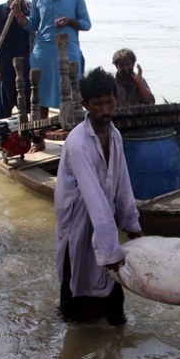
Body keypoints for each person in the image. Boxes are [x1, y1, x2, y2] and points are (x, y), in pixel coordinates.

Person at [55, 67, 143, 325]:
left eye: (109, 102)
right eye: (98, 105)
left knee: (115, 311)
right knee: (77, 286)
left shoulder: (114, 135)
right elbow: (95, 201)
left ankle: (113, 337)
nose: (105, 110)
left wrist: (133, 225)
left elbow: (122, 183)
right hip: (78, 223)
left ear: (116, 99)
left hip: (104, 221)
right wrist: (111, 253)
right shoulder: (78, 143)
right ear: (85, 105)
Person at [11, 0, 91, 149]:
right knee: (39, 97)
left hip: (68, 51)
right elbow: (32, 25)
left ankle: (74, 140)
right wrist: (19, 15)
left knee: (73, 96)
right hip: (43, 52)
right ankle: (38, 141)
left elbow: (86, 24)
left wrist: (69, 21)